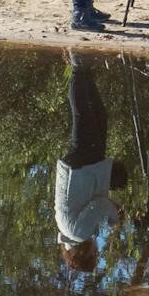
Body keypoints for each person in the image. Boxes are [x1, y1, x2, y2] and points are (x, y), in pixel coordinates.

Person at [57, 53, 127, 273]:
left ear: (85, 253)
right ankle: (86, 71)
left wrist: (114, 217)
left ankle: (78, 68)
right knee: (98, 117)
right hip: (78, 170)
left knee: (83, 116)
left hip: (83, 169)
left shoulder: (80, 233)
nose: (97, 251)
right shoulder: (68, 231)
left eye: (95, 254)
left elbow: (99, 205)